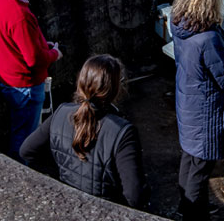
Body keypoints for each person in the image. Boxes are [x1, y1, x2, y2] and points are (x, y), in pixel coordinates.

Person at [20, 54, 145, 209]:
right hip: (105, 211)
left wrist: (59, 173)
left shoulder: (61, 113)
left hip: (68, 201)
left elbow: (27, 151)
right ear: (116, 89)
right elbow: (134, 196)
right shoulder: (123, 132)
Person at [170, 0, 224, 221]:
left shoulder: (179, 24)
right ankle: (195, 220)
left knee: (190, 158)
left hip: (188, 104)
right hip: (207, 113)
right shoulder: (208, 38)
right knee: (201, 170)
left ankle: (186, 205)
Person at [0, 0, 60, 156]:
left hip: (10, 80)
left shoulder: (0, 1)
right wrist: (54, 54)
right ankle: (24, 169)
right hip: (25, 85)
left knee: (18, 128)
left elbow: (15, 43)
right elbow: (34, 60)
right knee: (25, 137)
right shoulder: (20, 14)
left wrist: (40, 45)